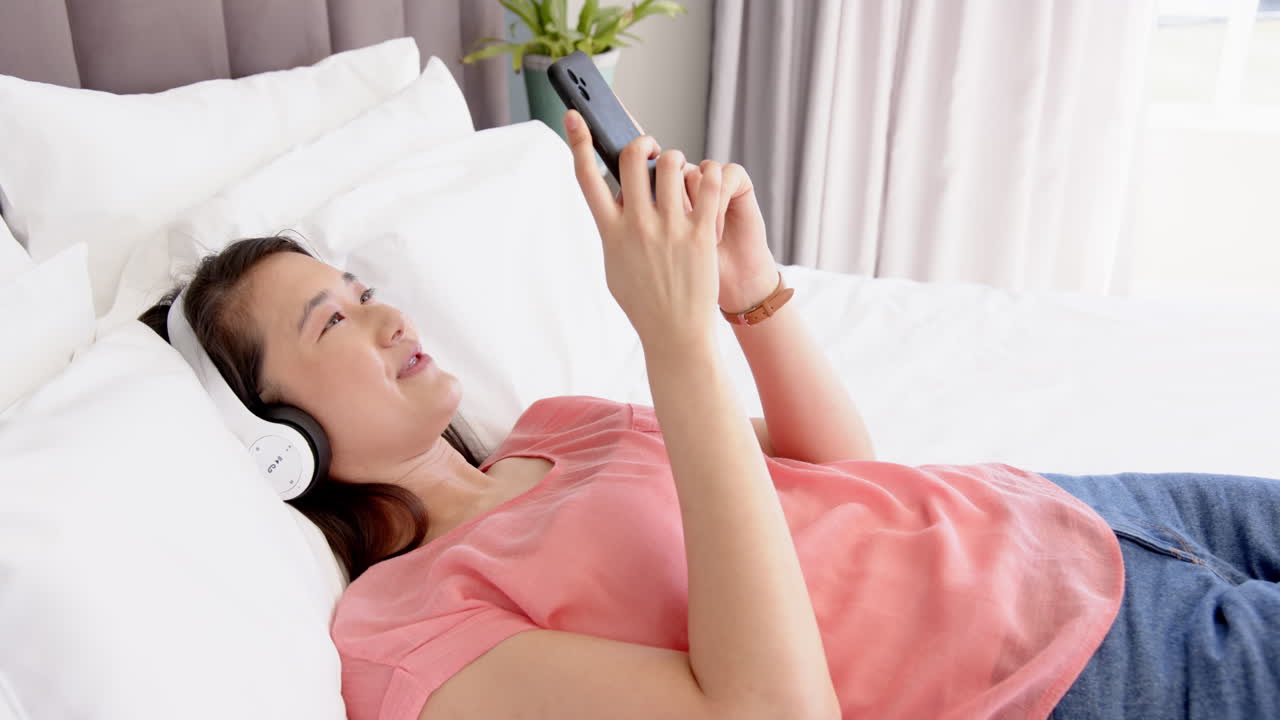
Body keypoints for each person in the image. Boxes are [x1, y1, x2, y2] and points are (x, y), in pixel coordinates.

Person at [138, 108, 1280, 720]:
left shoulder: (556, 424)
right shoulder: (405, 639)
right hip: (1091, 670)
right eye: (329, 324)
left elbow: (837, 474)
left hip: (1088, 521)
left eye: (360, 291)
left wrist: (748, 296)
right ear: (270, 444)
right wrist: (675, 342)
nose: (382, 316)